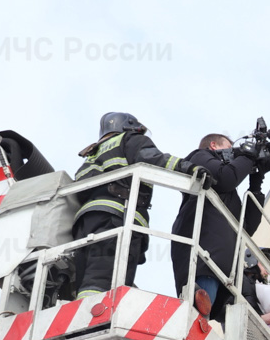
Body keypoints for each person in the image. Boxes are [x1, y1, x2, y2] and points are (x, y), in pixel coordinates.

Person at [71, 112, 205, 299]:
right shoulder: (130, 139)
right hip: (116, 217)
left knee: (88, 279)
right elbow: (153, 159)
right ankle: (92, 319)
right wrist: (189, 168)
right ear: (129, 125)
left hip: (85, 223)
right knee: (104, 279)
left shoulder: (91, 155)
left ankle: (83, 314)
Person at [170, 133, 265, 316]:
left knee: (202, 315)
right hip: (204, 259)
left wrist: (256, 186)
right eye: (230, 147)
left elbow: (247, 227)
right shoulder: (200, 157)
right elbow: (225, 178)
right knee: (196, 314)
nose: (235, 154)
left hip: (220, 268)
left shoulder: (228, 196)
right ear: (213, 145)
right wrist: (248, 156)